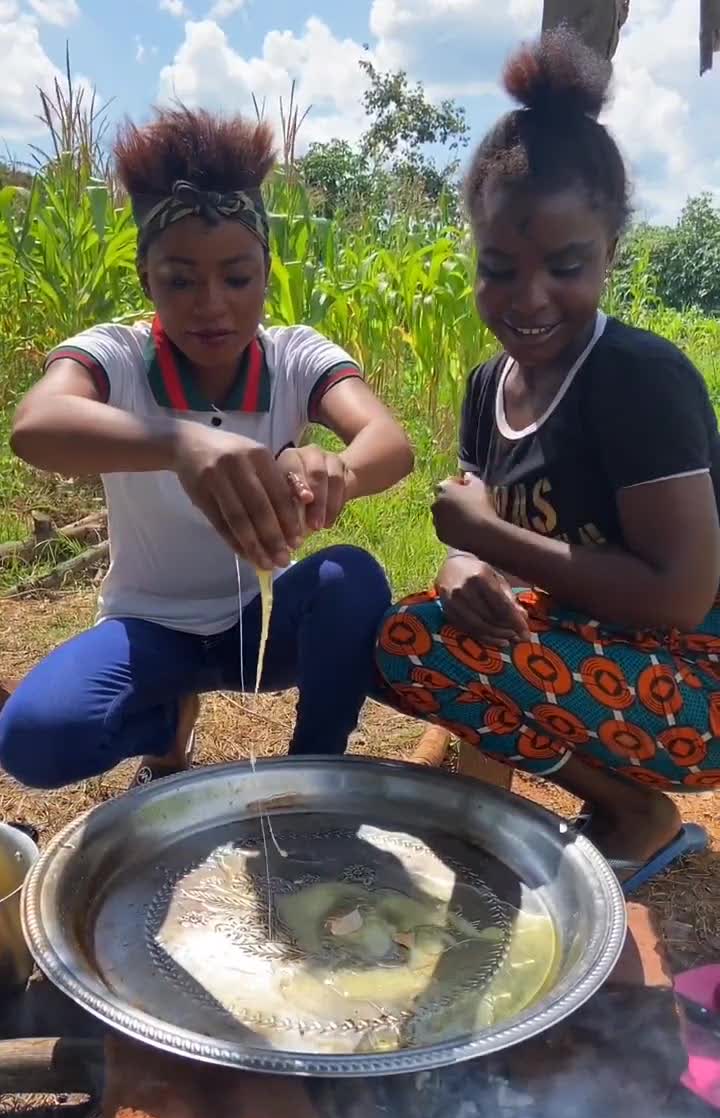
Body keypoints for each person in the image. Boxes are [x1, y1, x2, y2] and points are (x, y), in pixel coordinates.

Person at [375, 28, 720, 895]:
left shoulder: (639, 380)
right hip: (601, 643)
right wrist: (461, 561)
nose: (528, 299)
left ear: (610, 253)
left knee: (433, 652)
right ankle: (508, 795)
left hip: (699, 680)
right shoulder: (490, 382)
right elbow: (476, 538)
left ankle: (636, 812)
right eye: (499, 268)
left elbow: (682, 597)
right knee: (421, 632)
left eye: (565, 266)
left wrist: (486, 536)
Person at [0, 108, 413, 790]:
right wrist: (181, 444)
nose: (212, 305)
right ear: (146, 280)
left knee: (350, 580)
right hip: (146, 628)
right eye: (181, 280)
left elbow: (388, 442)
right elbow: (35, 424)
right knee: (37, 740)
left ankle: (309, 775)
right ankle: (167, 728)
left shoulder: (295, 357)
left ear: (266, 272)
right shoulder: (120, 356)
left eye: (237, 277)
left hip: (255, 626)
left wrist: (331, 466)